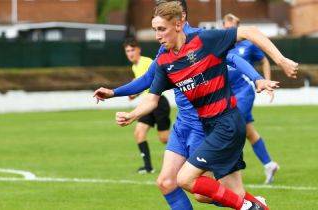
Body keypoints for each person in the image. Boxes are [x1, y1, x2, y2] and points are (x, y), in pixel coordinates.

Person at [114, 2, 297, 209]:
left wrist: (277, 63)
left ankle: (247, 206)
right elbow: (151, 95)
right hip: (209, 126)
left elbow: (247, 37)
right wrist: (130, 111)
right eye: (155, 29)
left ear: (179, 22)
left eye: (161, 29)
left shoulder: (204, 40)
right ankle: (253, 205)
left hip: (225, 123)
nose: (157, 35)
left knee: (184, 179)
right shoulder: (165, 61)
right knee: (210, 193)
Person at [223, 13, 279, 184]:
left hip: (244, 92)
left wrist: (266, 81)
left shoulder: (248, 44)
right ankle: (269, 164)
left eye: (233, 24)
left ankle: (227, 167)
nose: (230, 27)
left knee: (231, 126)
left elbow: (265, 61)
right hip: (228, 95)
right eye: (227, 24)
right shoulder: (221, 45)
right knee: (249, 132)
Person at [122, 37, 171, 174]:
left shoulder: (147, 62)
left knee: (164, 138)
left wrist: (135, 88)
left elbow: (153, 80)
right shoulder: (134, 66)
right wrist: (135, 93)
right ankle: (148, 167)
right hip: (146, 104)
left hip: (159, 102)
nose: (130, 53)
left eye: (132, 50)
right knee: (139, 132)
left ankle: (190, 150)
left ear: (138, 50)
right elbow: (143, 84)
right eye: (127, 51)